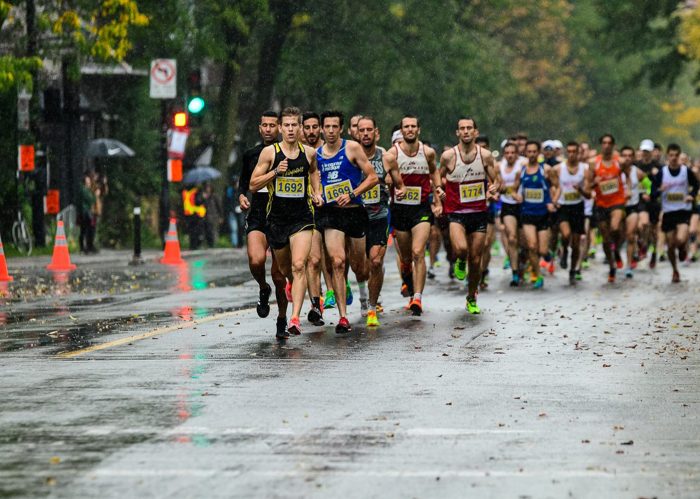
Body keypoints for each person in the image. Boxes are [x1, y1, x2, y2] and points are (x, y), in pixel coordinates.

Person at [316, 110, 378, 333]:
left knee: (360, 266)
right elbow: (314, 183)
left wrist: (352, 194)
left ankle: (364, 300)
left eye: (335, 127)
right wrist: (316, 195)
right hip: (332, 214)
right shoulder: (317, 155)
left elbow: (372, 177)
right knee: (338, 262)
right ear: (322, 129)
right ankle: (343, 317)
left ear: (341, 128)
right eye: (327, 127)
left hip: (354, 212)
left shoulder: (351, 148)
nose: (331, 131)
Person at [383, 115, 443, 315]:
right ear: (401, 131)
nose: (409, 130)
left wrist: (438, 189)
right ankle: (407, 273)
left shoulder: (428, 153)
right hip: (400, 210)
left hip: (421, 209)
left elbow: (434, 172)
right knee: (407, 256)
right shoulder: (392, 154)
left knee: (419, 252)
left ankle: (417, 297)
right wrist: (391, 182)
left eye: (413, 126)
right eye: (406, 127)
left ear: (419, 130)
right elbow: (384, 177)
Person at [439, 117, 498, 314]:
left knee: (476, 260)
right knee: (462, 249)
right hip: (456, 212)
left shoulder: (486, 156)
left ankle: (471, 297)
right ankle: (459, 260)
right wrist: (439, 191)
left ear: (475, 132)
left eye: (469, 128)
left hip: (479, 213)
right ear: (457, 132)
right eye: (462, 128)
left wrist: (493, 188)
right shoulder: (448, 156)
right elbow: (437, 178)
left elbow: (497, 180)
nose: (465, 131)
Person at [239, 110, 289, 338]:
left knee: (279, 277)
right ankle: (262, 287)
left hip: (281, 217)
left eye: (272, 125)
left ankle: (282, 320)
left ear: (279, 128)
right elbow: (244, 184)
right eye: (264, 125)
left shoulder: (288, 153)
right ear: (259, 128)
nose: (268, 129)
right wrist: (241, 196)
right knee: (256, 259)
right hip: (258, 214)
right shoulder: (251, 154)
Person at [357, 116, 405, 327]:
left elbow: (400, 184)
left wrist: (400, 191)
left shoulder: (386, 158)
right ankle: (363, 293)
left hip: (379, 216)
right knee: (360, 267)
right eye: (362, 130)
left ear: (376, 133)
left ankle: (372, 306)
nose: (366, 134)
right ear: (356, 133)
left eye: (370, 130)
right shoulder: (349, 157)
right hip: (354, 217)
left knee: (375, 262)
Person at [651, 143, 699, 282]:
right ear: (667, 156)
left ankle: (683, 248)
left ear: (679, 156)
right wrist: (660, 189)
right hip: (668, 212)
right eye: (671, 155)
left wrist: (692, 195)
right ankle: (675, 270)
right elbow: (653, 192)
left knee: (681, 239)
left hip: (683, 210)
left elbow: (696, 185)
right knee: (671, 245)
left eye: (676, 155)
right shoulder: (662, 172)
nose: (673, 158)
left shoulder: (686, 171)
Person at [512, 141, 556, 289]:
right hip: (527, 213)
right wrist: (515, 196)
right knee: (531, 246)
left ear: (539, 153)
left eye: (534, 152)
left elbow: (557, 186)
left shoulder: (546, 169)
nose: (531, 154)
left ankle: (547, 254)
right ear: (526, 153)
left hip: (543, 213)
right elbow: (513, 189)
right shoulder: (521, 171)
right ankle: (537, 275)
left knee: (542, 250)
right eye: (529, 152)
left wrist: (553, 202)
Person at [587, 134, 630, 283]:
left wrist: (629, 190)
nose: (606, 145)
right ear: (601, 145)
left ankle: (617, 250)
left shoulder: (620, 161)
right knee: (605, 238)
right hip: (601, 203)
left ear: (613, 145)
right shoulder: (593, 163)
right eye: (604, 143)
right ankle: (612, 265)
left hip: (617, 200)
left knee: (615, 228)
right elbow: (588, 185)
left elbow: (628, 176)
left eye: (609, 143)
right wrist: (594, 183)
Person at [549, 141, 588, 285]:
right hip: (563, 207)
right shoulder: (558, 169)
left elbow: (589, 194)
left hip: (578, 207)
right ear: (566, 153)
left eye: (574, 152)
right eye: (569, 151)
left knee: (577, 244)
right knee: (565, 234)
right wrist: (554, 200)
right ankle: (564, 250)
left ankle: (573, 270)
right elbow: (552, 186)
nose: (571, 154)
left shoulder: (585, 169)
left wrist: (581, 190)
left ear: (578, 153)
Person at [497, 142, 523, 286]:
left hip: (524, 206)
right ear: (504, 154)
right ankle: (515, 272)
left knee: (525, 243)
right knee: (512, 238)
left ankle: (524, 264)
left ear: (517, 154)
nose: (510, 155)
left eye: (512, 152)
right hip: (507, 206)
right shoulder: (498, 167)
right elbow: (498, 186)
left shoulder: (522, 165)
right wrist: (508, 191)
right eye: (507, 153)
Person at [620, 146, 646, 278]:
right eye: (624, 155)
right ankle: (616, 256)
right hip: (618, 208)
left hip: (633, 207)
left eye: (630, 155)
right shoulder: (615, 172)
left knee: (630, 236)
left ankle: (628, 266)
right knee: (617, 236)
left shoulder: (639, 173)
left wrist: (647, 193)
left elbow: (649, 186)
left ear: (634, 158)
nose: (627, 158)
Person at [78, 173, 97, 254]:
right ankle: (85, 247)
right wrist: (95, 195)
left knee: (84, 230)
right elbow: (91, 200)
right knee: (87, 230)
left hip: (85, 212)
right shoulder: (84, 190)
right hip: (85, 212)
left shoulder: (86, 190)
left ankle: (85, 247)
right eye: (88, 181)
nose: (89, 183)